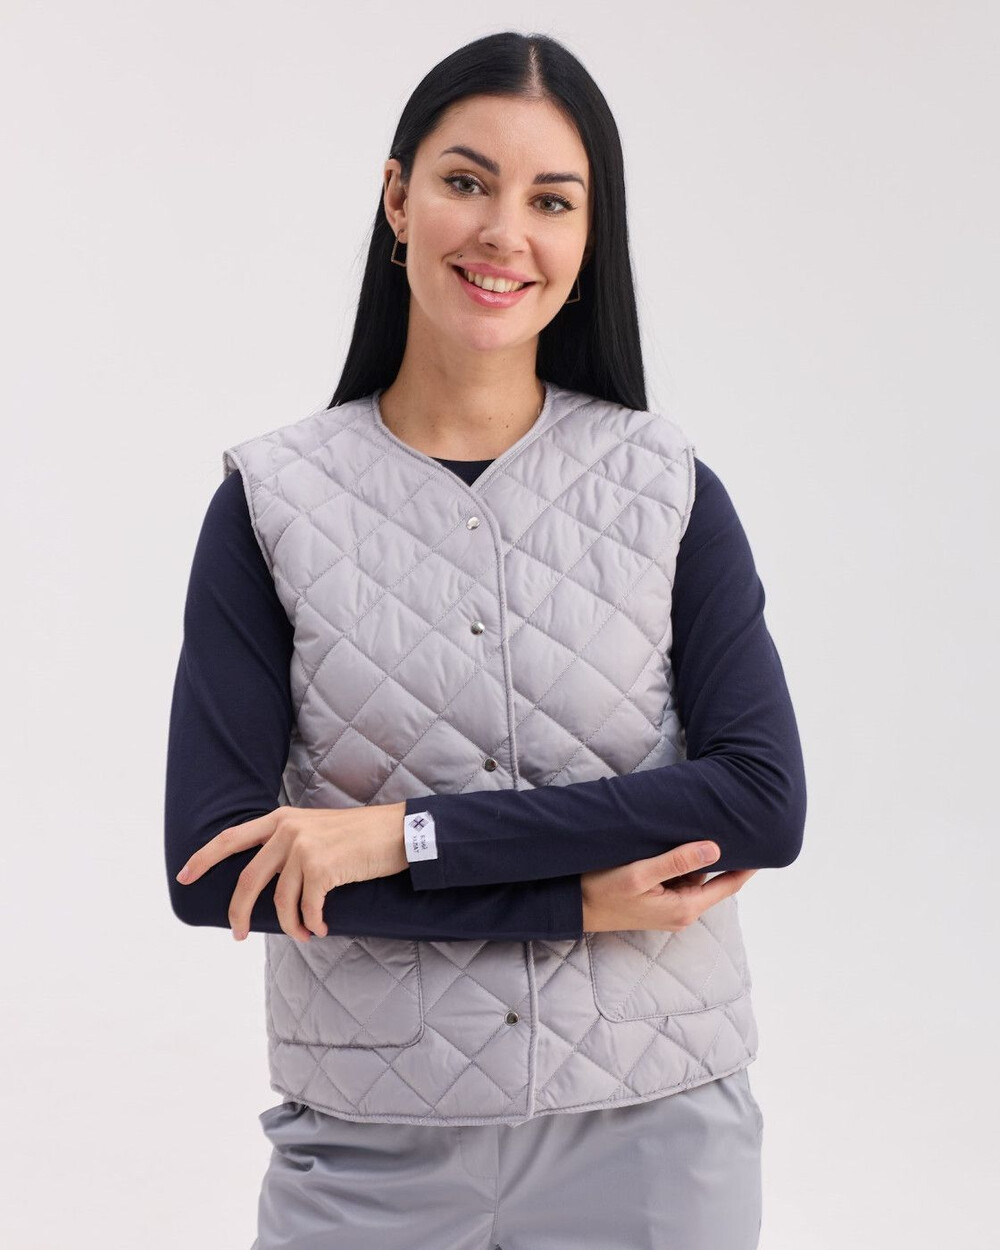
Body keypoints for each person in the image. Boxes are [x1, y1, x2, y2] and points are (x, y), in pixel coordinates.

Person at [164, 29, 806, 1250]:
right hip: (366, 1145)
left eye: (551, 200)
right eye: (467, 182)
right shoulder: (269, 503)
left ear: (588, 239)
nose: (505, 231)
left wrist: (395, 836)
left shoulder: (666, 486)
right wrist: (570, 899)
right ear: (398, 199)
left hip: (655, 1131)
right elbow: (211, 869)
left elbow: (759, 801)